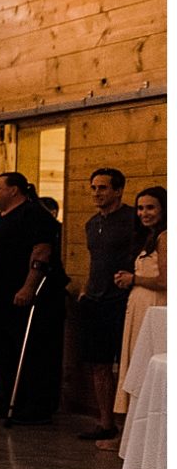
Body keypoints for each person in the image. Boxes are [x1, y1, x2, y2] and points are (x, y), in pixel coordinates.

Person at [0, 172, 66, 425]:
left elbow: (41, 252)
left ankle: (33, 405)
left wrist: (28, 287)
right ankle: (7, 400)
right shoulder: (0, 217)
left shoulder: (33, 215)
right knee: (3, 350)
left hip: (23, 298)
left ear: (14, 190)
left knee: (29, 351)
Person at [76, 169, 139, 442]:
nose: (97, 193)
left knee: (126, 363)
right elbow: (96, 260)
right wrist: (86, 287)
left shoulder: (132, 220)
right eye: (93, 188)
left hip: (123, 299)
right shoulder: (92, 223)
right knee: (99, 364)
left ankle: (133, 425)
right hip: (96, 299)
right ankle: (106, 422)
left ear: (118, 190)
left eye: (102, 188)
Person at [105, 186, 167, 451]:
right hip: (139, 306)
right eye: (140, 208)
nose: (144, 213)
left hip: (154, 307)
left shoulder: (166, 238)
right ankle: (133, 437)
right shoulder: (149, 237)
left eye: (151, 207)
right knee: (134, 366)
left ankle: (145, 441)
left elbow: (166, 280)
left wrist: (134, 279)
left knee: (145, 368)